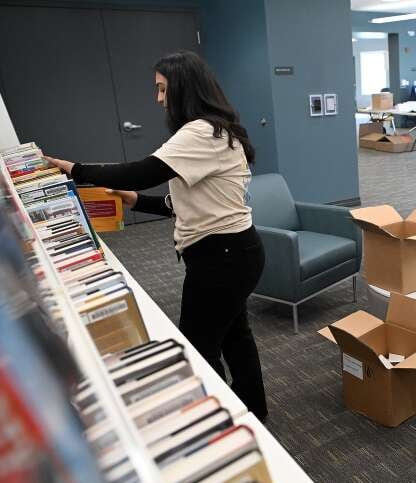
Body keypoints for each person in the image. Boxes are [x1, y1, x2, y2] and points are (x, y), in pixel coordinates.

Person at [44, 51, 268, 420]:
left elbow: (139, 171)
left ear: (185, 89)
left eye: (162, 89)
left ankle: (219, 422)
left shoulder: (199, 132)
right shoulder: (214, 129)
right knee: (234, 335)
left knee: (198, 346)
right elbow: (192, 202)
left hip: (222, 257)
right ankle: (253, 411)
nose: (158, 99)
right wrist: (138, 203)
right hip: (236, 250)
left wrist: (75, 169)